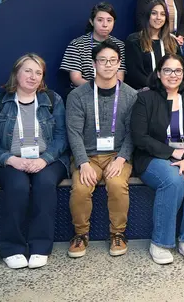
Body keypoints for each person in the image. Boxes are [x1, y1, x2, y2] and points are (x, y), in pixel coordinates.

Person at [0, 54, 69, 269]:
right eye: (28, 71)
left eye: (38, 73)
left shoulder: (53, 100)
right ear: (16, 73)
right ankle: (12, 248)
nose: (33, 76)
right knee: (18, 186)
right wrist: (10, 159)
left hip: (49, 160)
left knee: (45, 184)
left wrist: (44, 160)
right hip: (9, 162)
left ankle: (40, 247)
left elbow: (61, 137)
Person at [130, 54, 184, 265]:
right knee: (173, 180)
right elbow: (140, 137)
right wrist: (171, 153)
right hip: (154, 155)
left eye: (177, 71)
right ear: (158, 73)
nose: (173, 75)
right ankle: (160, 242)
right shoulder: (145, 99)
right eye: (167, 70)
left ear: (183, 74)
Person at [65, 40, 138, 259]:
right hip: (87, 156)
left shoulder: (131, 95)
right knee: (80, 187)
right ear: (94, 64)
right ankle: (80, 234)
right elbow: (73, 132)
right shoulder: (77, 96)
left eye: (113, 61)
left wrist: (122, 158)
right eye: (103, 60)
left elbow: (132, 133)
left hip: (117, 155)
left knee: (116, 184)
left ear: (119, 64)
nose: (108, 65)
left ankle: (118, 234)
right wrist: (82, 162)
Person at [60, 2, 126, 88]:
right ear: (91, 21)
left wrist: (107, 89)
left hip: (112, 92)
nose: (105, 25)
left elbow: (120, 76)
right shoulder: (77, 44)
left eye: (109, 20)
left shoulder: (120, 45)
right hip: (85, 92)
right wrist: (97, 88)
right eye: (100, 20)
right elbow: (76, 78)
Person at [125, 0, 180, 90]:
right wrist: (158, 87)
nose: (158, 17)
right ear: (147, 16)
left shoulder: (172, 41)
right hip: (145, 91)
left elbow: (179, 68)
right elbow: (135, 75)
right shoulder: (134, 40)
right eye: (154, 13)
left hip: (170, 89)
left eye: (162, 14)